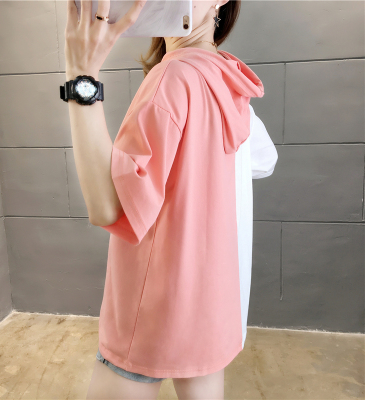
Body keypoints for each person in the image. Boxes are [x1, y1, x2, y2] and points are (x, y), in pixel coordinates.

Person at [64, 0, 277, 398]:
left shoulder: (174, 76)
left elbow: (108, 207)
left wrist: (81, 77)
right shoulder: (229, 77)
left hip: (153, 312)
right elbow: (264, 160)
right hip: (211, 311)